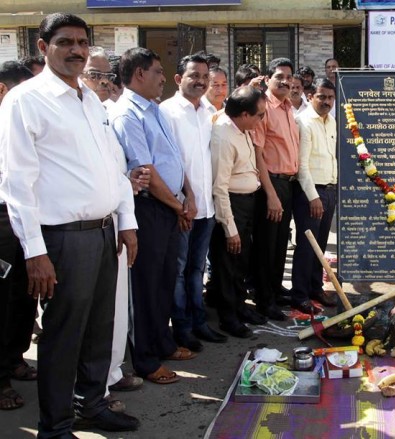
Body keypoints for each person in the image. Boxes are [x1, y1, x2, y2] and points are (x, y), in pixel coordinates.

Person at [0, 13, 140, 436]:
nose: (76, 50)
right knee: (63, 337)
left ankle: (91, 405)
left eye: (82, 42)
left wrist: (127, 222)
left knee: (99, 331)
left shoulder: (91, 99)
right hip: (61, 240)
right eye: (65, 42)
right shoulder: (25, 101)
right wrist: (35, 251)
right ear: (43, 48)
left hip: (104, 233)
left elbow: (114, 168)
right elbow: (17, 182)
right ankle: (56, 425)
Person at [111, 47, 197, 386]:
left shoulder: (155, 110)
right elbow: (144, 169)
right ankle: (145, 360)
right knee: (146, 287)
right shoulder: (127, 115)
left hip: (170, 205)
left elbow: (174, 158)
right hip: (147, 208)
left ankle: (163, 342)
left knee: (163, 281)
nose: (164, 78)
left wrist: (187, 195)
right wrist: (178, 206)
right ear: (139, 74)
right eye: (158, 71)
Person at [81, 49, 148, 409]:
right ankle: (87, 396)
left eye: (108, 78)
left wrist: (128, 222)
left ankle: (108, 376)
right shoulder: (35, 104)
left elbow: (114, 176)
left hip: (115, 224)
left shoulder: (102, 113)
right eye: (96, 75)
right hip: (74, 231)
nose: (104, 84)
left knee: (114, 311)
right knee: (82, 319)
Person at [160, 54, 227, 352]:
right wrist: (181, 201)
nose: (200, 81)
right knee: (178, 271)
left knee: (197, 269)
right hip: (181, 208)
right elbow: (167, 164)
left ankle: (199, 323)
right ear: (178, 79)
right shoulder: (167, 113)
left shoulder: (208, 112)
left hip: (207, 208)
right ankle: (182, 327)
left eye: (204, 76)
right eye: (193, 75)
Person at [209, 86, 268, 338]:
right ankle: (228, 317)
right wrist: (229, 228)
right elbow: (219, 187)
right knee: (227, 263)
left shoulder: (242, 129)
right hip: (231, 205)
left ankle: (240, 307)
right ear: (244, 114)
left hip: (247, 202)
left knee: (242, 261)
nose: (261, 120)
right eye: (259, 115)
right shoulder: (223, 135)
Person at [250, 57, 302, 318]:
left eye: (288, 77)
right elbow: (258, 153)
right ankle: (264, 299)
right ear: (268, 79)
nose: (284, 81)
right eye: (279, 76)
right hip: (270, 183)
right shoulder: (264, 108)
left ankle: (274, 288)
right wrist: (270, 194)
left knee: (281, 243)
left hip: (287, 184)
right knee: (266, 245)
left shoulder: (288, 107)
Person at [0, 60, 35, 412]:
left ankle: (15, 358)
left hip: (26, 217)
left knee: (25, 295)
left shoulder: (21, 124)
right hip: (2, 219)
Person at [291, 78, 339, 310]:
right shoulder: (303, 122)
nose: (326, 101)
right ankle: (300, 295)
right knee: (306, 245)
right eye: (321, 97)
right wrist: (313, 197)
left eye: (330, 97)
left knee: (320, 245)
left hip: (330, 191)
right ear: (311, 97)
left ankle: (315, 288)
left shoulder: (332, 122)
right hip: (311, 194)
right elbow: (301, 166)